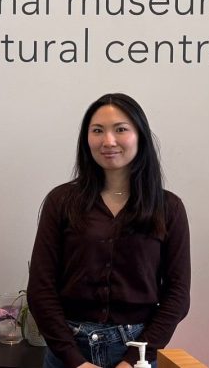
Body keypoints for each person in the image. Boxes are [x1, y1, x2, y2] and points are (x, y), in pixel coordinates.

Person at [27, 93, 191, 368]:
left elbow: (178, 295)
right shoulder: (61, 201)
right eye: (97, 131)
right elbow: (41, 288)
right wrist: (73, 360)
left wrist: (133, 360)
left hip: (136, 350)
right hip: (67, 351)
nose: (108, 141)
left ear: (140, 135)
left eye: (121, 129)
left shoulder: (168, 207)